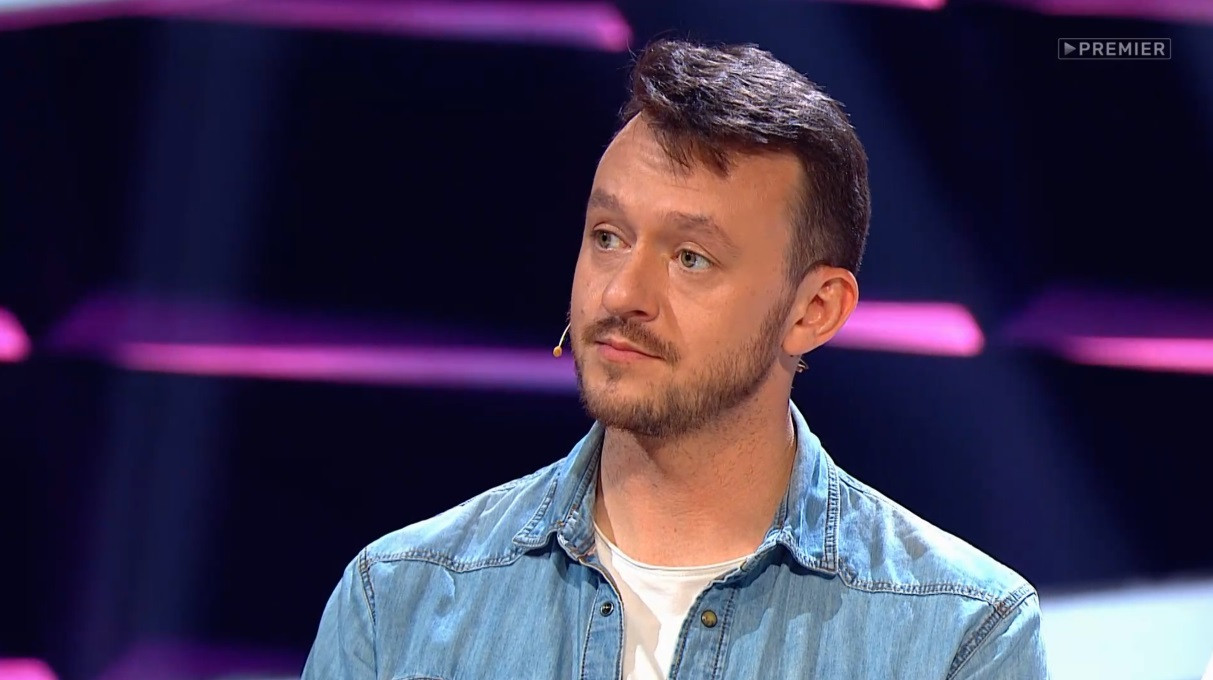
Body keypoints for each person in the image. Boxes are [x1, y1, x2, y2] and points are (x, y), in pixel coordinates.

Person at [302, 37, 1049, 679]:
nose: (622, 293)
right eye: (608, 237)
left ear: (814, 309)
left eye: (691, 257)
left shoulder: (959, 632)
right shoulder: (398, 602)